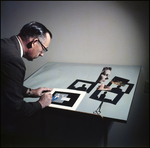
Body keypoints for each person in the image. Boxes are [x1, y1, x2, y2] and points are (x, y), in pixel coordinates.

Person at [1, 21, 53, 146]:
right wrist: (41, 104)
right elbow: (15, 110)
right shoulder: (14, 61)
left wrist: (30, 92)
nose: (42, 54)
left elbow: (5, 84)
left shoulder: (5, 44)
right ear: (34, 42)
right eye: (43, 49)